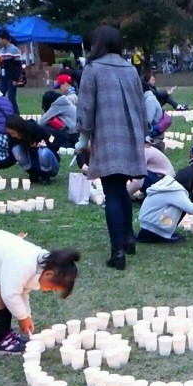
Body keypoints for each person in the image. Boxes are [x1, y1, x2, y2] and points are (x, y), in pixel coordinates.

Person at [76, 25, 148, 271]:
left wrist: (83, 137)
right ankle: (128, 239)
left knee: (112, 192)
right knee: (122, 189)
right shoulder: (130, 69)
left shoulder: (93, 68)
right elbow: (141, 105)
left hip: (107, 136)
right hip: (131, 135)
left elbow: (85, 107)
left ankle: (117, 251)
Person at [136, 174, 193, 244]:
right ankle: (163, 235)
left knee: (180, 205)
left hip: (146, 222)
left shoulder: (168, 184)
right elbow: (191, 209)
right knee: (182, 207)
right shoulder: (177, 191)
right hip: (156, 227)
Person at [0, 115, 61, 183]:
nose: (12, 136)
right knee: (16, 149)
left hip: (51, 165)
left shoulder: (34, 128)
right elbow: (13, 157)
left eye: (13, 133)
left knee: (43, 151)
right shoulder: (12, 138)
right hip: (34, 163)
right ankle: (33, 173)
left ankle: (45, 176)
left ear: (19, 129)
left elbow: (54, 140)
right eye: (10, 134)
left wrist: (46, 144)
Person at [0, 28, 23, 114]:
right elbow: (3, 66)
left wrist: (16, 79)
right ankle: (1, 113)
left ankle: (16, 116)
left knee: (11, 98)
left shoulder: (14, 50)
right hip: (4, 78)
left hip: (11, 78)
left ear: (4, 39)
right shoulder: (2, 51)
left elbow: (18, 66)